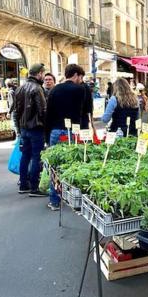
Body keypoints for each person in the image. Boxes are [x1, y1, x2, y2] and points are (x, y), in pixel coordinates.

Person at [46, 64, 93, 210]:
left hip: (55, 131)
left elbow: (48, 114)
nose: (81, 80)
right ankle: (74, 200)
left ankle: (54, 201)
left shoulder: (54, 89)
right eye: (81, 77)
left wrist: (47, 136)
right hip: (73, 131)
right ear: (76, 75)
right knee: (73, 164)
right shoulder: (80, 89)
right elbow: (85, 111)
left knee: (54, 166)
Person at [15, 63, 47, 197]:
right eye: (43, 74)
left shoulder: (20, 88)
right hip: (35, 127)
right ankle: (34, 187)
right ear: (39, 73)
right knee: (36, 157)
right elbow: (43, 110)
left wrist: (18, 128)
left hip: (24, 128)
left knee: (25, 156)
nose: (44, 76)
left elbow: (16, 111)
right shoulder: (37, 88)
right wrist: (46, 126)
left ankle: (23, 184)